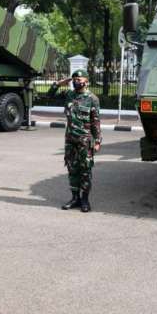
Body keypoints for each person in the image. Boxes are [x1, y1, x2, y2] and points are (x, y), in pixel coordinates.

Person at [47, 69, 102, 212]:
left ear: (86, 81)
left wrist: (97, 141)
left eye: (79, 79)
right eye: (74, 79)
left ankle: (85, 200)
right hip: (70, 139)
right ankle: (75, 198)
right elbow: (48, 96)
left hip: (85, 141)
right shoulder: (69, 95)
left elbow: (96, 121)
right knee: (72, 169)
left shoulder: (92, 99)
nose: (76, 81)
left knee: (85, 170)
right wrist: (58, 84)